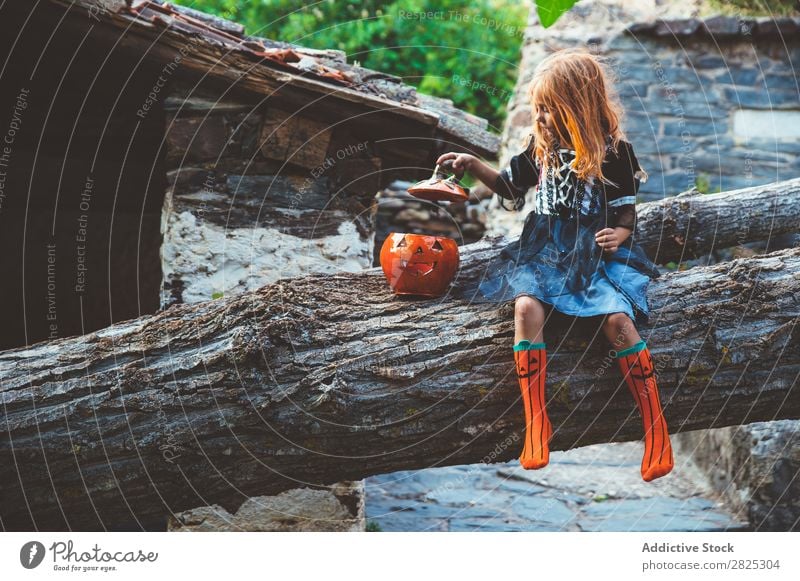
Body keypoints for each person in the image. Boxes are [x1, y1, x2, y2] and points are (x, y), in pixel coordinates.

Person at [436, 48, 673, 482]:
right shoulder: (539, 150)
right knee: (526, 308)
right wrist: (472, 165)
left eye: (548, 108)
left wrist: (620, 234)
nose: (540, 117)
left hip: (590, 253)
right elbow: (509, 188)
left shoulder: (613, 152)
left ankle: (656, 429)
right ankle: (536, 424)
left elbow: (625, 210)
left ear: (576, 107)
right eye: (538, 108)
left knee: (618, 320)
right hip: (544, 249)